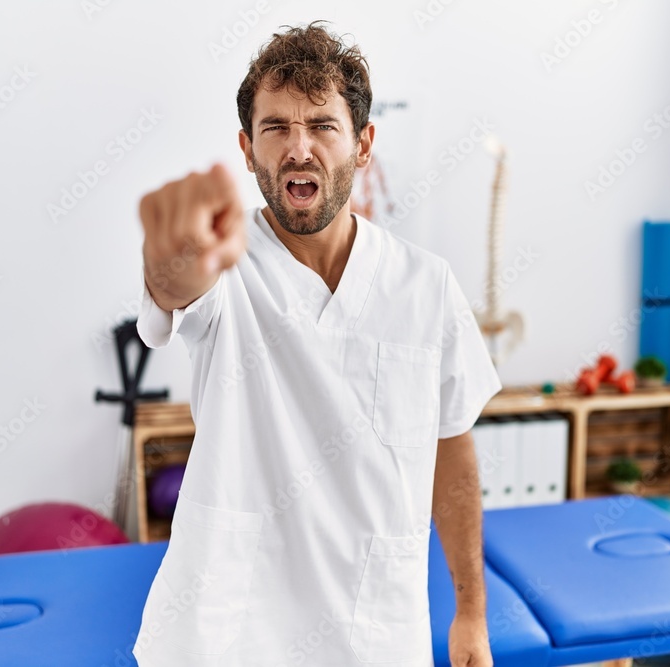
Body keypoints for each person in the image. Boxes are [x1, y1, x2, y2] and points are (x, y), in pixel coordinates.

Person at [131, 21, 501, 667]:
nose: (299, 148)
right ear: (247, 148)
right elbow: (174, 281)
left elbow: (452, 446)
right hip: (226, 639)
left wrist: (471, 609)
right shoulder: (226, 268)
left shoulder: (426, 285)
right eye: (276, 127)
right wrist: (170, 251)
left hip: (375, 635)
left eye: (323, 125)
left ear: (363, 145)